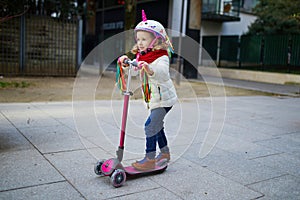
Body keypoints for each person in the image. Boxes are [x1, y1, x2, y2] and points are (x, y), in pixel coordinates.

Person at [118, 10, 177, 171]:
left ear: (156, 40)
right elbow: (136, 70)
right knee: (157, 126)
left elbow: (163, 73)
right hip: (154, 99)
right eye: (138, 39)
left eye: (144, 39)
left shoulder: (161, 56)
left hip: (164, 99)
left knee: (150, 126)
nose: (141, 42)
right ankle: (164, 153)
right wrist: (126, 63)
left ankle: (150, 159)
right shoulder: (141, 56)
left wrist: (150, 69)